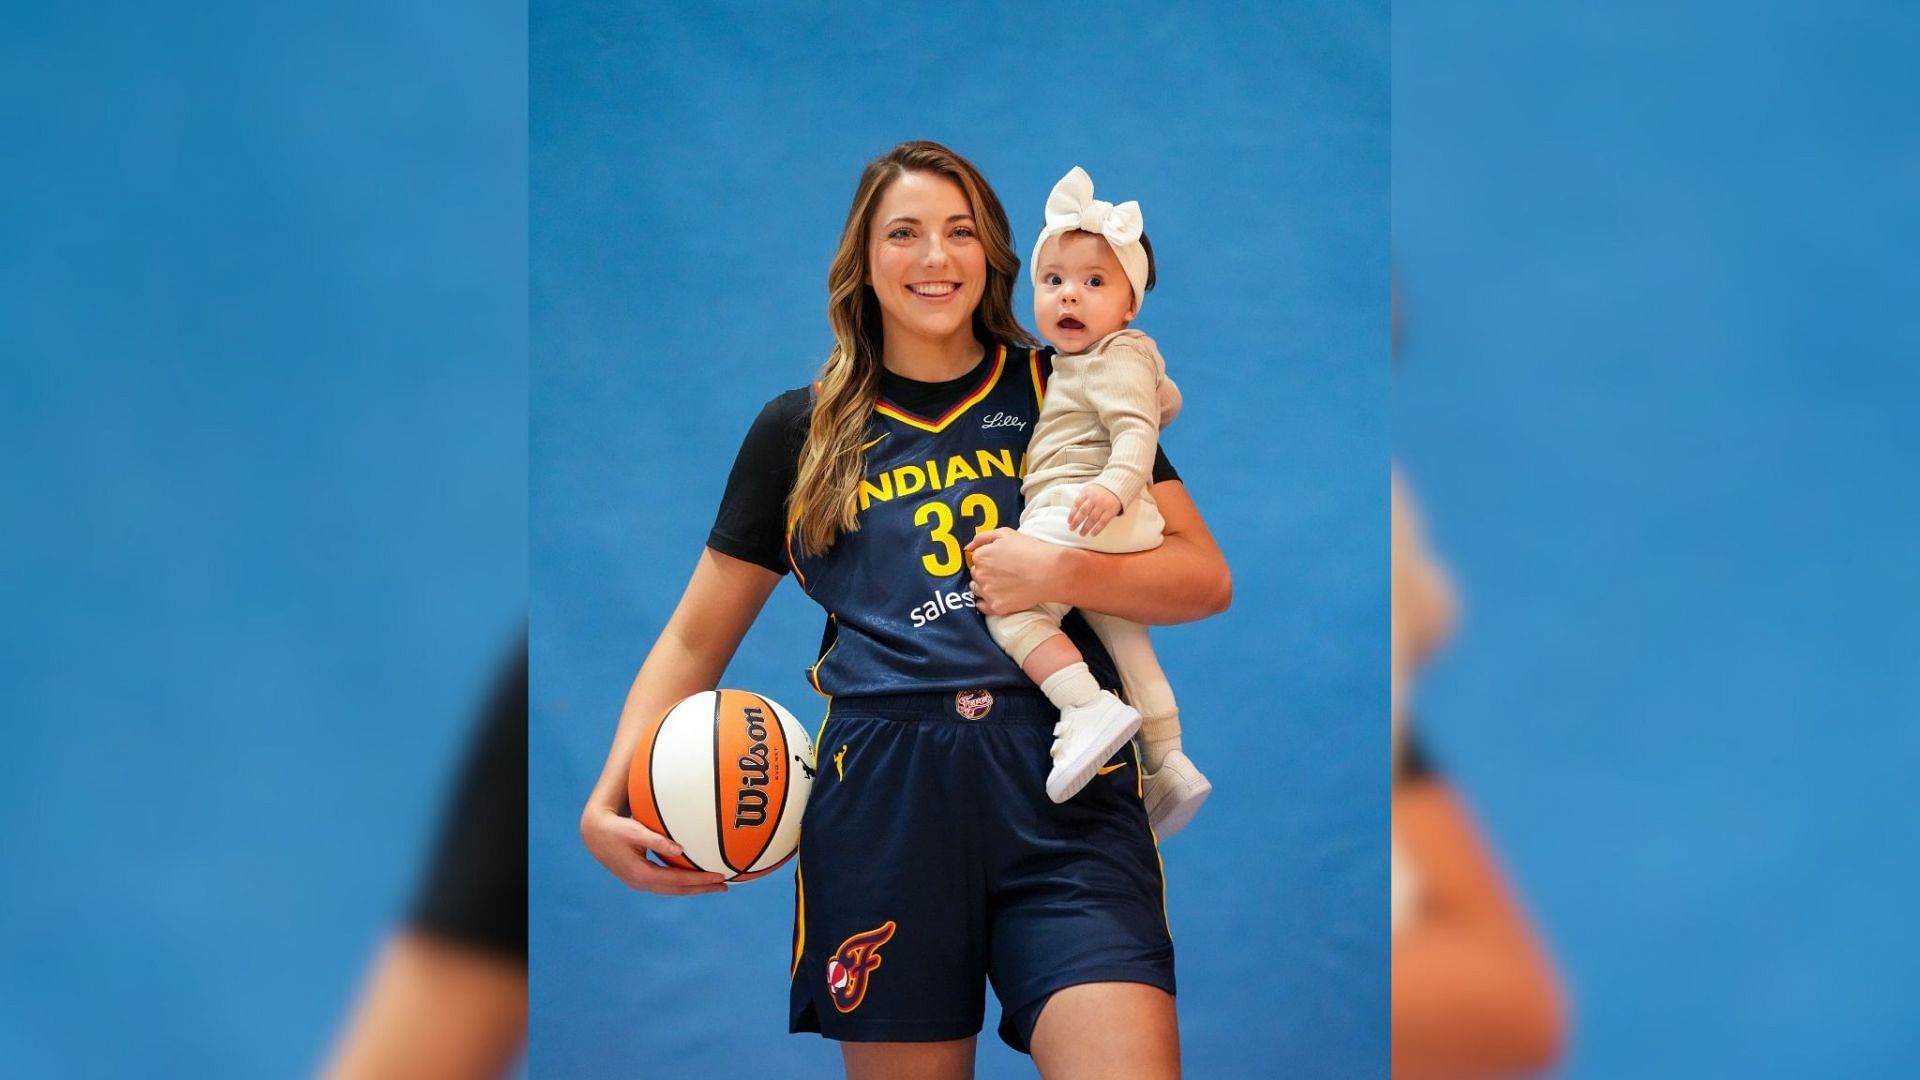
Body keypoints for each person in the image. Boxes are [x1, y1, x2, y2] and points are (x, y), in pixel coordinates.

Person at [578, 140, 1231, 1080]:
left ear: (995, 253)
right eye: (906, 234)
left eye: (960, 232)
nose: (935, 257)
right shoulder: (798, 432)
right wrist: (611, 795)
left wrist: (1060, 570)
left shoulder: (1064, 384)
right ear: (864, 260)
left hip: (1061, 778)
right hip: (885, 799)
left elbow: (1203, 576)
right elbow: (692, 638)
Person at [982, 166, 1211, 836]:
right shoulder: (1126, 359)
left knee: (1013, 607)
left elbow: (1137, 429)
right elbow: (1162, 403)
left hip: (1080, 503)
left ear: (1129, 304)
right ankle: (1168, 759)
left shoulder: (1108, 358)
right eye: (1053, 282)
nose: (1069, 297)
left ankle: (1084, 707)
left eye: (1094, 282)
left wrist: (1112, 485)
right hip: (1119, 523)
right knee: (1126, 637)